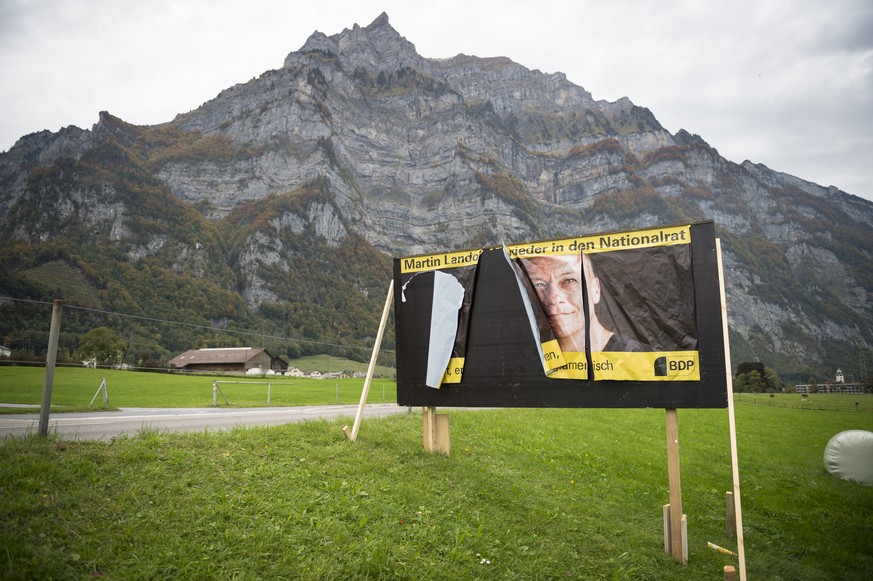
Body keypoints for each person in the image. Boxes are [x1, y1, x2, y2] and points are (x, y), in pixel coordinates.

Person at [519, 252, 647, 353]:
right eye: (539, 284)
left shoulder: (641, 358)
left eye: (569, 281)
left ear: (595, 290)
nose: (553, 299)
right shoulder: (530, 358)